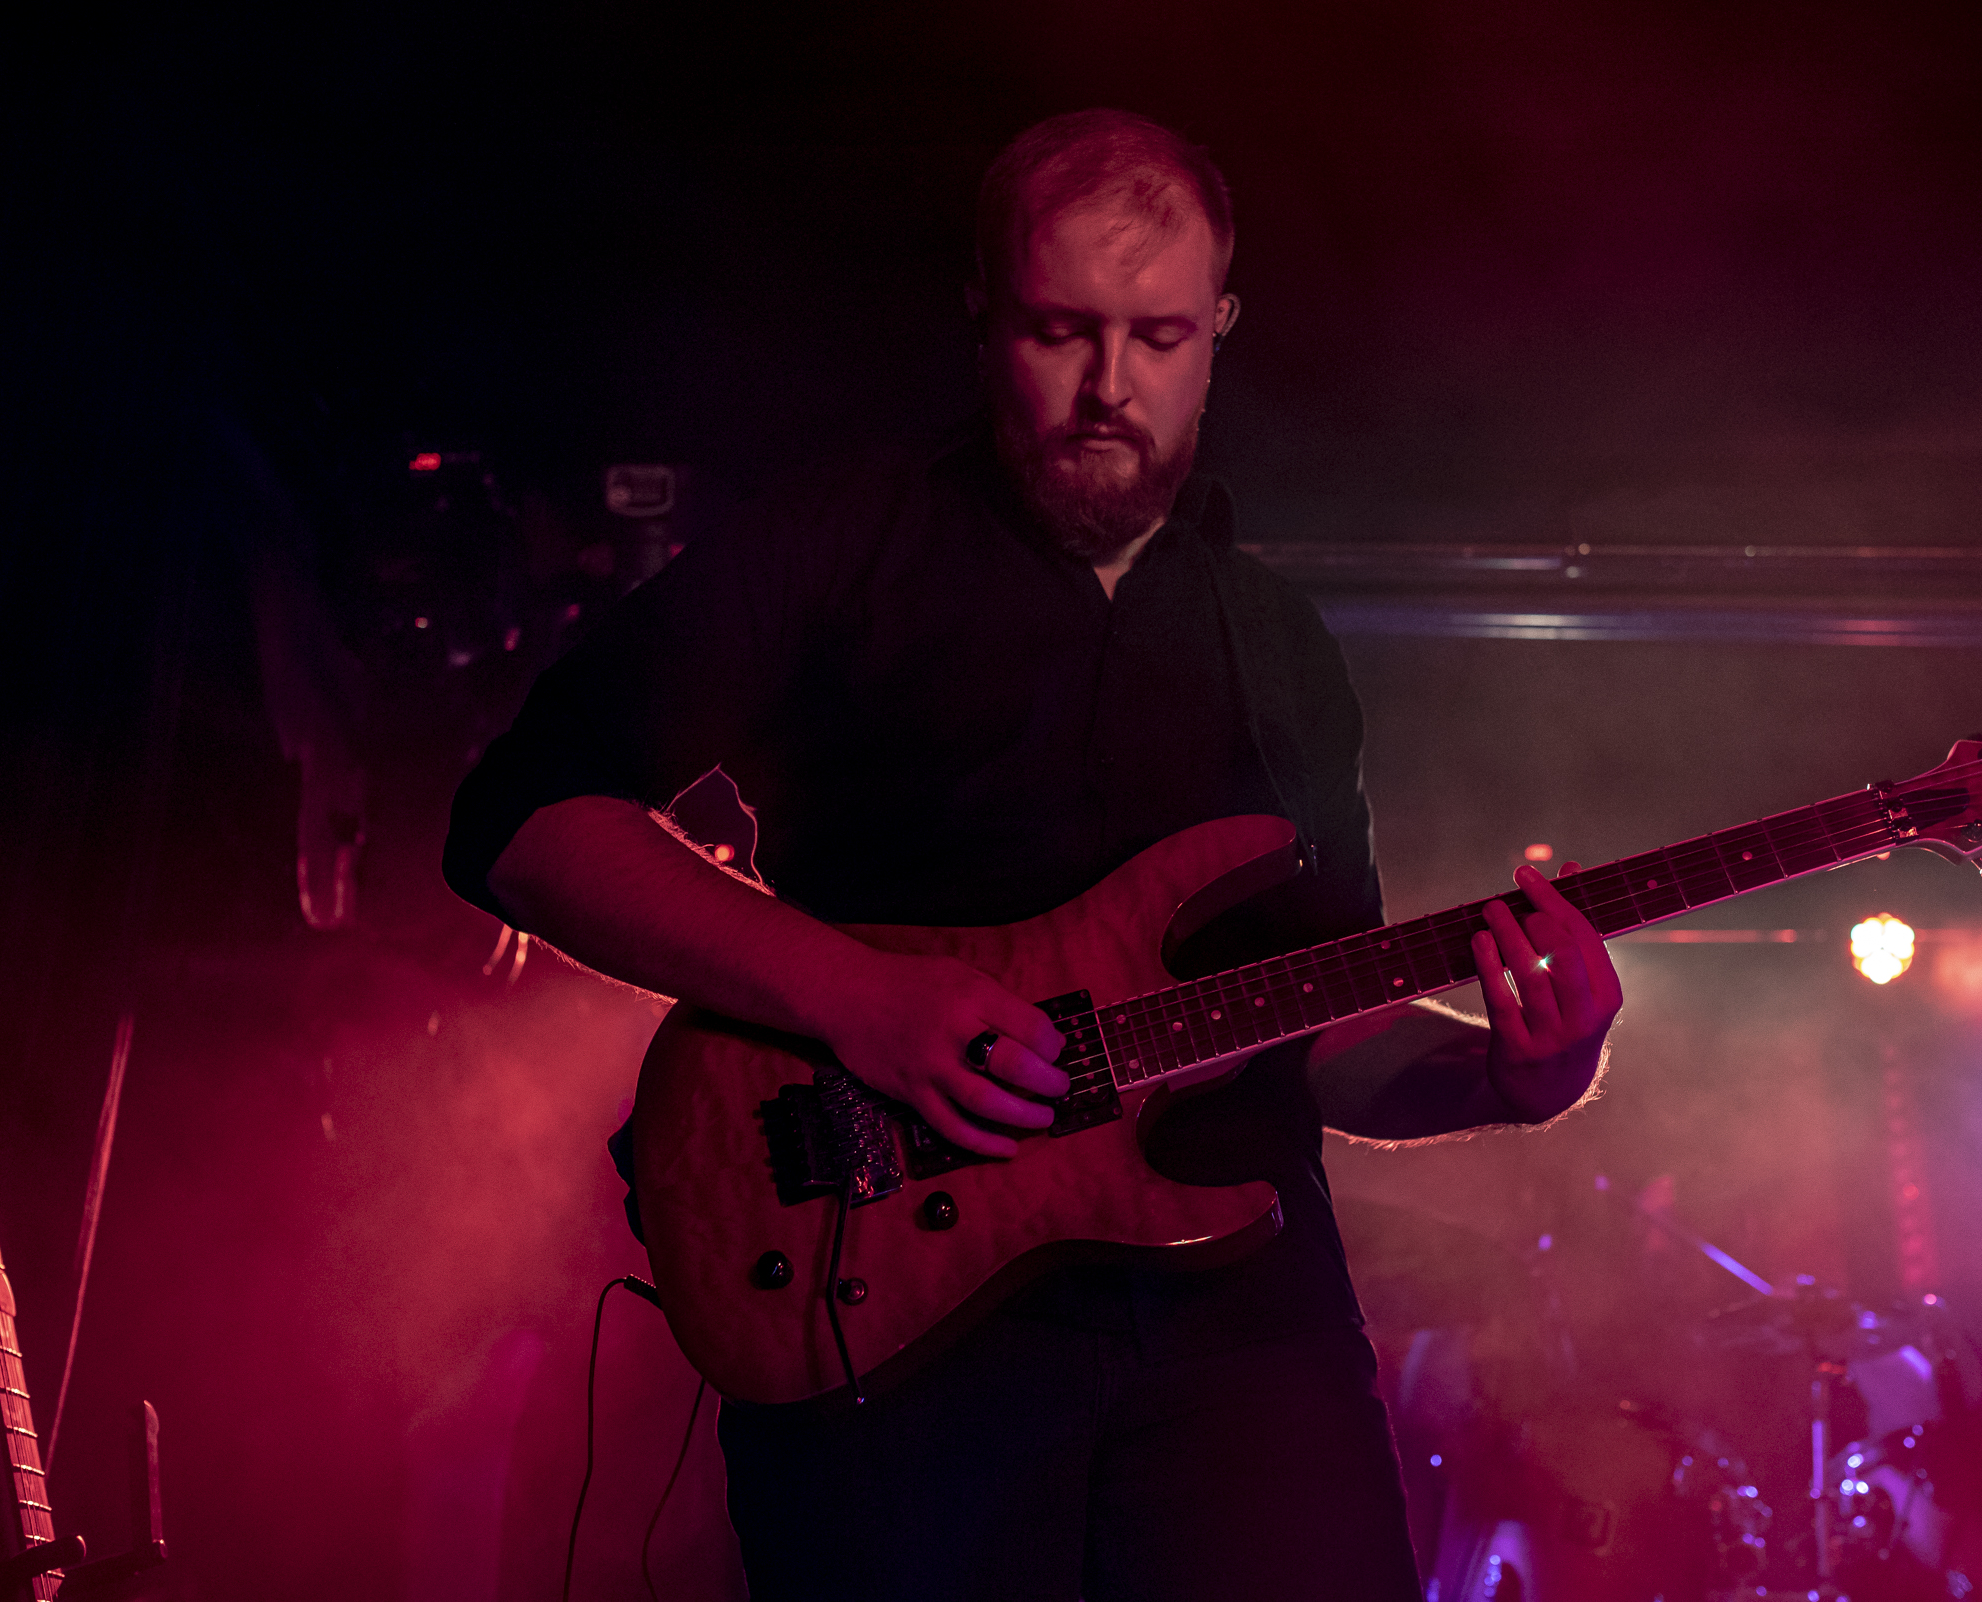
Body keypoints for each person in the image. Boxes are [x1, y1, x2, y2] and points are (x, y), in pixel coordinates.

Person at [444, 109, 1620, 1602]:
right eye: (1062, 332)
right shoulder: (842, 545)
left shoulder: (1279, 643)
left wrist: (1524, 1073)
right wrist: (860, 997)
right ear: (984, 316)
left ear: (1218, 332)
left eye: (1159, 336)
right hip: (898, 1318)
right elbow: (522, 820)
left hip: (1244, 1333)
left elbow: (1324, 1029)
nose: (1109, 386)